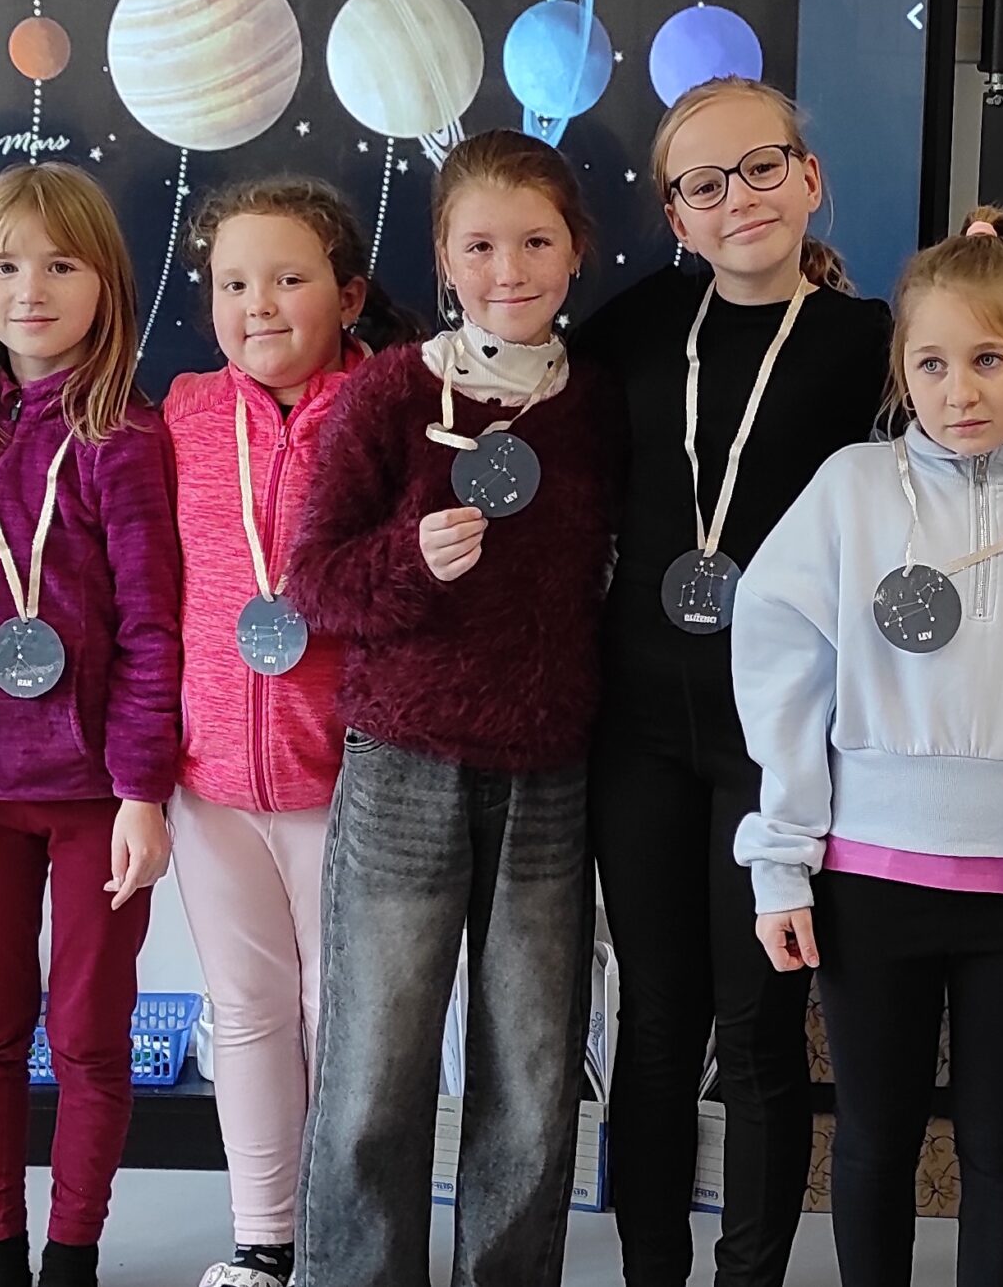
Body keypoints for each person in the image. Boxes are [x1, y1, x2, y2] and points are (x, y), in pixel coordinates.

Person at [732, 209, 1003, 1287]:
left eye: (990, 360)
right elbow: (782, 674)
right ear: (901, 369)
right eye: (931, 363)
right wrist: (780, 862)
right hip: (870, 881)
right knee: (874, 1139)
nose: (959, 392)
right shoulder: (850, 488)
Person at [283, 130, 620, 1287]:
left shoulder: (597, 404)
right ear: (441, 257)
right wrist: (407, 561)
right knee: (375, 1066)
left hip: (548, 771)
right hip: (404, 767)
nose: (507, 270)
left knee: (531, 1069)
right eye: (479, 246)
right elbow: (313, 582)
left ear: (576, 251)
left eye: (534, 242)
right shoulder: (389, 393)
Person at [581, 78, 890, 1287]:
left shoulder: (872, 345)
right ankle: (651, 1272)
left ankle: (748, 1278)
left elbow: (983, 455)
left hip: (784, 744)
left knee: (760, 1032)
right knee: (657, 1025)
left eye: (761, 168)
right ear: (676, 216)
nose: (738, 198)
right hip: (641, 732)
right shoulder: (634, 329)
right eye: (703, 185)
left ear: (809, 178)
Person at [0, 164, 183, 1287]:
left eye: (61, 265)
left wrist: (141, 792)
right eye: (3, 265)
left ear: (107, 284)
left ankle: (72, 1255)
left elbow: (152, 628)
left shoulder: (125, 437)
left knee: (86, 1035)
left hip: (94, 800)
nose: (29, 290)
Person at [162, 176, 404, 1287]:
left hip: (347, 779)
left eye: (288, 279)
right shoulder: (183, 414)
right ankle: (265, 1241)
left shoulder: (388, 411)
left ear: (348, 296)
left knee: (344, 1018)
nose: (257, 304)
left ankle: (347, 1241)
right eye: (232, 283)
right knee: (248, 1012)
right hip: (209, 781)